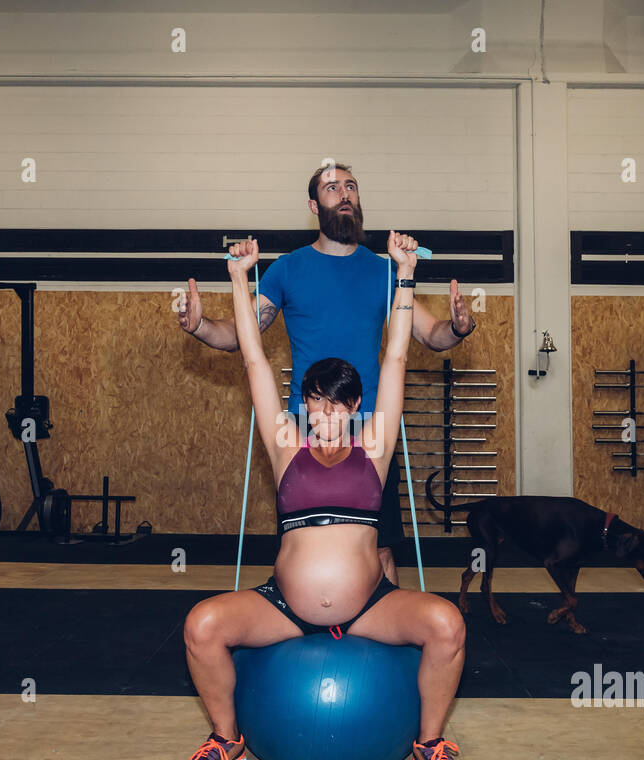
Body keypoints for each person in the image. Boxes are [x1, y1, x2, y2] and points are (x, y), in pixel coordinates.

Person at [173, 233, 470, 760]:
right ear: (304, 403)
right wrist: (240, 278)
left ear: (355, 406)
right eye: (315, 401)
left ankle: (430, 745)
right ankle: (225, 740)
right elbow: (255, 360)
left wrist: (404, 276)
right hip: (283, 607)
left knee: (448, 626)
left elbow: (399, 356)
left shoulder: (375, 448)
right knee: (201, 625)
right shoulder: (286, 444)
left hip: (367, 608)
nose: (326, 415)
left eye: (337, 404)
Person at [176, 162, 477, 585]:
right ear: (314, 206)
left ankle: (383, 632)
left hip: (371, 426)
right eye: (333, 188)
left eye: (351, 186)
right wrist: (201, 326)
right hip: (306, 425)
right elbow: (240, 341)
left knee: (379, 546)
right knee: (302, 542)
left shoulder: (384, 269)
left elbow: (431, 335)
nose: (345, 194)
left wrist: (460, 327)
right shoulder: (287, 269)